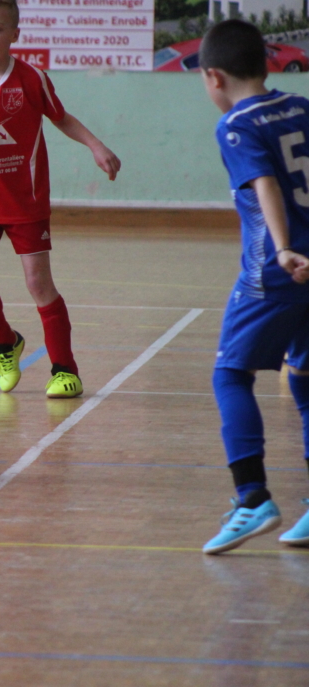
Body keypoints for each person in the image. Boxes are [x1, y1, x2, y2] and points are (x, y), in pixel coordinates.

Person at [0, 0, 120, 399]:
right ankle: (7, 344)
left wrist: (95, 146)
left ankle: (64, 370)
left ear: (15, 34)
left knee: (38, 283)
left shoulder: (32, 79)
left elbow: (62, 118)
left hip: (26, 203)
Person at [197, 19, 309, 553]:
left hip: (275, 273)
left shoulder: (236, 126)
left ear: (214, 77)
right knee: (305, 383)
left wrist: (283, 248)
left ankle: (252, 497)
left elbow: (265, 185)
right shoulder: (300, 106)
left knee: (230, 374)